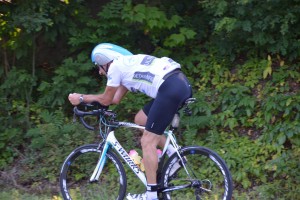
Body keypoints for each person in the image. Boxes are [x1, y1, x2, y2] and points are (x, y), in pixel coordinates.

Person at [68, 43, 192, 200]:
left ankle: (151, 195)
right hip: (177, 83)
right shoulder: (126, 66)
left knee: (147, 142)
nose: (100, 72)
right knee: (141, 119)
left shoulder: (115, 67)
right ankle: (174, 155)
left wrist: (80, 98)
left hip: (169, 87)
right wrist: (94, 104)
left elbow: (106, 99)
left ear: (106, 61)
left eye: (99, 67)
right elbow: (115, 99)